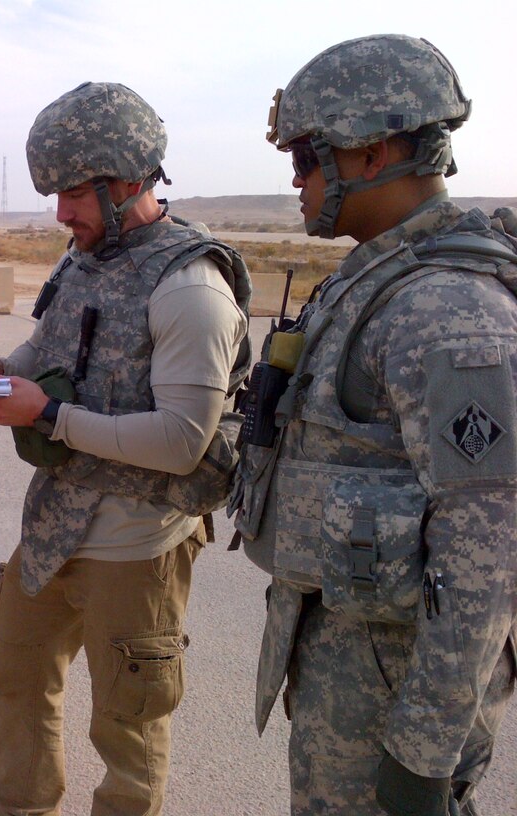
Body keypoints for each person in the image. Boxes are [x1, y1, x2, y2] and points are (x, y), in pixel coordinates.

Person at [231, 34, 517, 815]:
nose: (295, 182)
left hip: (393, 693)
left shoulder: (447, 309)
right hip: (353, 666)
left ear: (373, 152)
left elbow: (489, 549)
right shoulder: (375, 281)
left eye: (305, 159)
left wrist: (423, 753)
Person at [0, 82, 249, 816]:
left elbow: (183, 441)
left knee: (128, 719)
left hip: (137, 542)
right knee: (18, 683)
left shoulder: (190, 287)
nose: (60, 213)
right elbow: (50, 352)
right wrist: (1, 375)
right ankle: (21, 805)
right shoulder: (82, 258)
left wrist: (49, 414)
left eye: (74, 194)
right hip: (55, 527)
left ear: (128, 181)